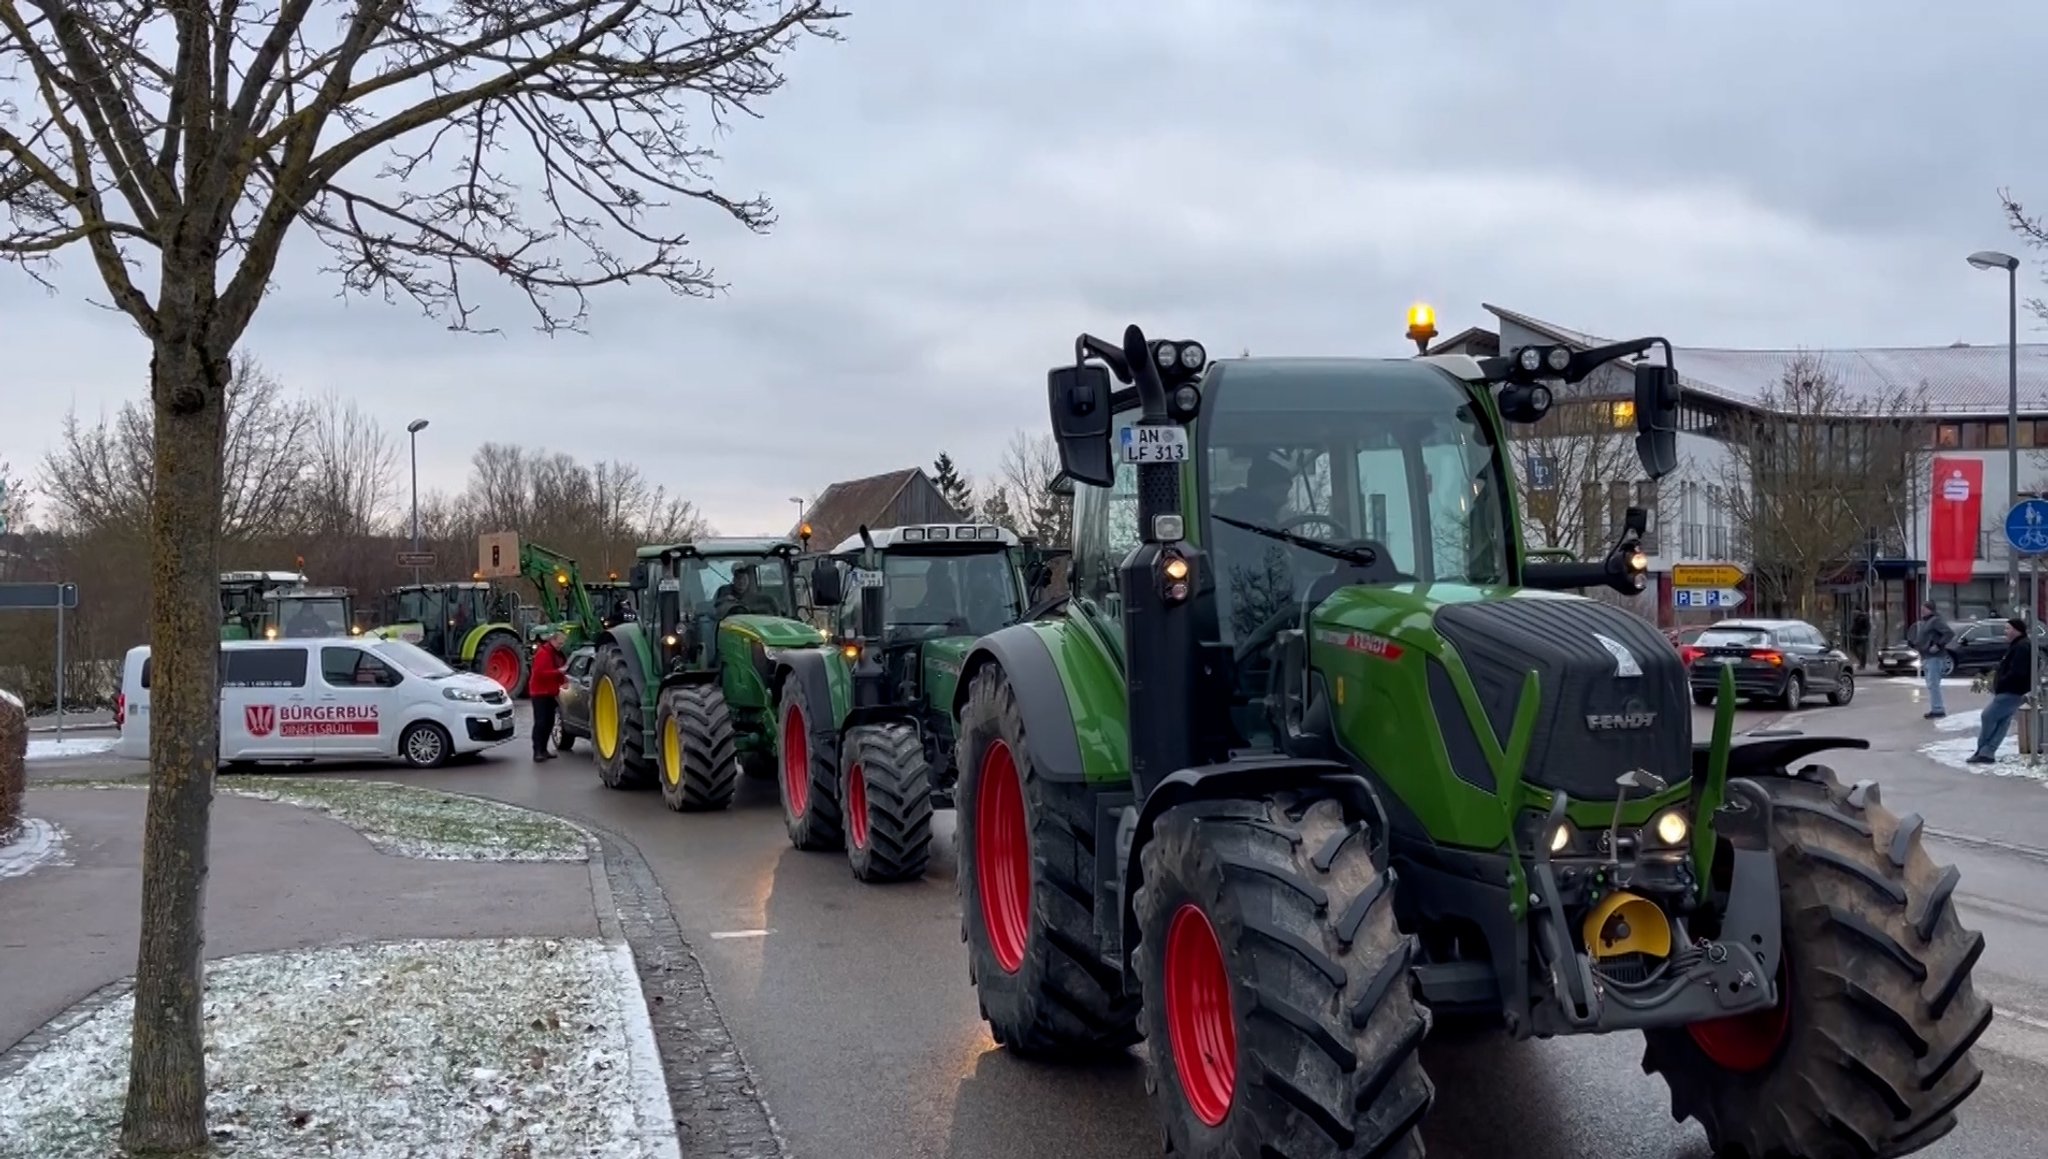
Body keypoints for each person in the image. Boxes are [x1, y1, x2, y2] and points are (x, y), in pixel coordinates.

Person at [1969, 618, 2034, 764]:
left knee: (1988, 716)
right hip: (2013, 690)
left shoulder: (2022, 647)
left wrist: (2003, 681)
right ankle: (1987, 752)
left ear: (2017, 630)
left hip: (2011, 690)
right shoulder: (2018, 645)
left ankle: (1983, 750)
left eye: (2008, 629)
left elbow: (2018, 671)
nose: (2005, 632)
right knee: (2002, 721)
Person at [1908, 602, 1957, 719]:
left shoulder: (1935, 621)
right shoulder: (1925, 622)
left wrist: (1938, 645)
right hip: (1926, 656)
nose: (1922, 611)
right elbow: (1925, 638)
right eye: (1921, 609)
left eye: (1924, 609)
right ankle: (1936, 708)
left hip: (1935, 657)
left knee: (1933, 684)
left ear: (1931, 609)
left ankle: (1938, 709)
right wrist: (1915, 644)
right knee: (1931, 685)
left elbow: (1949, 633)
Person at [528, 631, 569, 762]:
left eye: (563, 643)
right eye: (559, 643)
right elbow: (540, 673)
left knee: (549, 722)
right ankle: (537, 751)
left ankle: (543, 749)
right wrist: (558, 672)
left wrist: (563, 680)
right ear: (552, 640)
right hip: (540, 693)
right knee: (541, 722)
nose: (560, 646)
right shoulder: (543, 653)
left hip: (550, 692)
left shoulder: (556, 654)